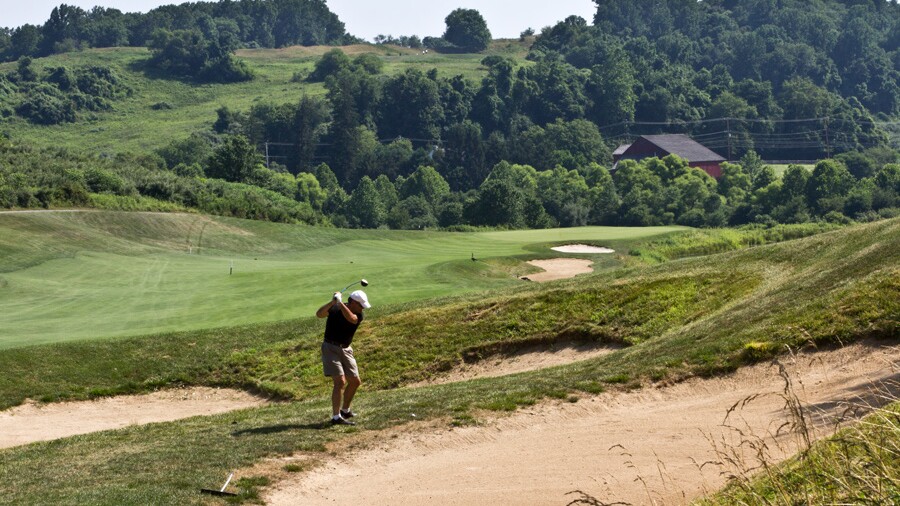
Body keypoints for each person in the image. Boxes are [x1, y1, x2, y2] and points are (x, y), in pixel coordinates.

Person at [315, 289, 371, 426]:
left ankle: (345, 410)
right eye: (361, 305)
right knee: (340, 381)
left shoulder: (358, 315)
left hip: (346, 349)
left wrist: (340, 304)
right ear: (352, 302)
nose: (363, 308)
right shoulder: (335, 308)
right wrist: (332, 302)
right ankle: (336, 417)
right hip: (330, 348)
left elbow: (351, 319)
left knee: (355, 381)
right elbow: (319, 314)